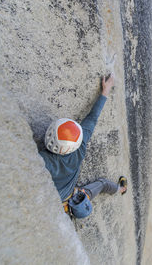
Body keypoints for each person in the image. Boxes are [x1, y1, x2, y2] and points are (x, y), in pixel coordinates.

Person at [39, 74, 127, 219]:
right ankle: (121, 189)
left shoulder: (43, 160)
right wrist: (106, 90)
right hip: (71, 197)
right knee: (103, 183)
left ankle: (121, 188)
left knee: (103, 183)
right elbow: (92, 118)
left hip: (58, 200)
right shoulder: (79, 149)